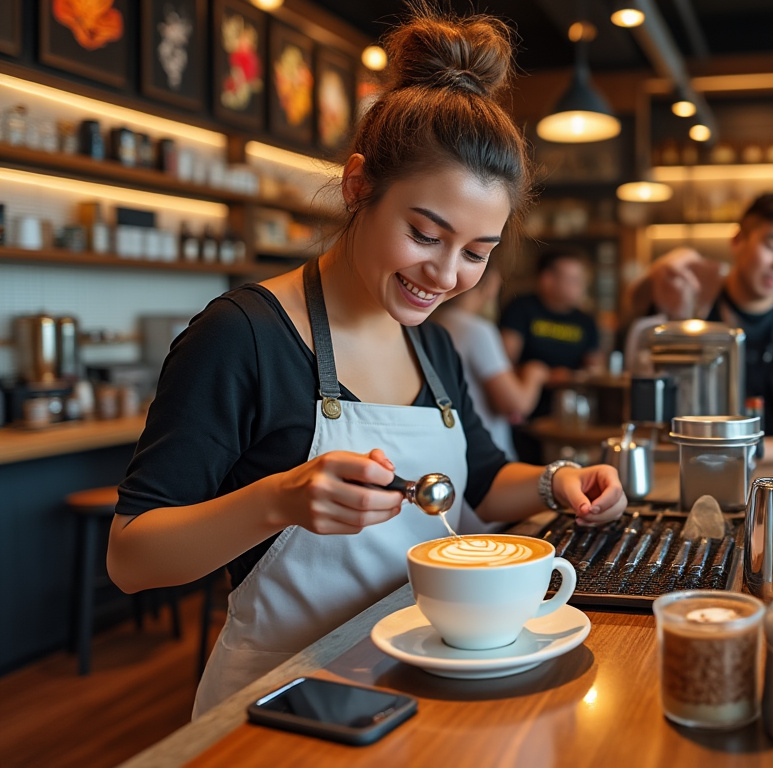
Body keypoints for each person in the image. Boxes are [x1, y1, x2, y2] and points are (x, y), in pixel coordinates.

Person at [106, 11, 626, 717]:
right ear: (357, 187)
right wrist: (278, 501)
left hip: (417, 683)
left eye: (476, 252)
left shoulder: (431, 343)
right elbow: (132, 558)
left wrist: (555, 480)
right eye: (425, 233)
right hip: (283, 704)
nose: (444, 275)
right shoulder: (243, 335)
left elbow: (476, 475)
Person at [626, 192, 773, 464]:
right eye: (771, 246)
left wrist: (740, 449)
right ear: (738, 241)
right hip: (664, 461)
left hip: (745, 482)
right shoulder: (696, 293)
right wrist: (660, 269)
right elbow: (634, 303)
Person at [432, 263, 548, 462]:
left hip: (448, 448)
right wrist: (534, 374)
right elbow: (516, 404)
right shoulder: (477, 330)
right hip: (487, 455)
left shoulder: (433, 322)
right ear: (489, 283)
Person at [498, 250, 601, 461]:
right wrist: (542, 375)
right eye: (573, 280)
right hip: (524, 413)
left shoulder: (585, 321)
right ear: (547, 280)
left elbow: (596, 370)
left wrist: (570, 377)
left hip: (571, 414)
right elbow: (502, 363)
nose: (581, 287)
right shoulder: (521, 308)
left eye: (582, 280)